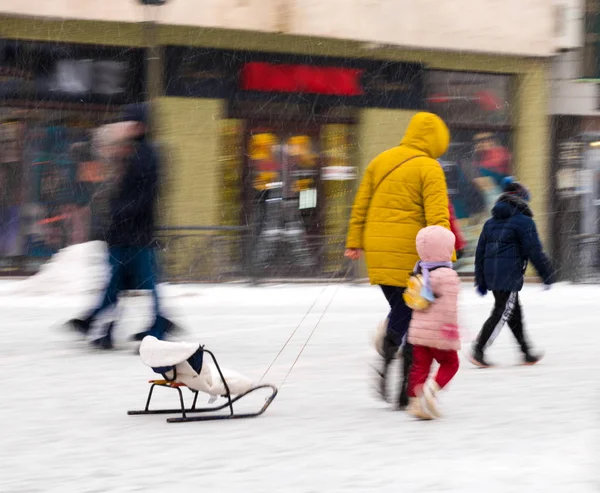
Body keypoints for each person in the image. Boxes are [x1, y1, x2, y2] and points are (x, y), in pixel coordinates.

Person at [345, 112, 452, 409]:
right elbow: (437, 216)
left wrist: (354, 241)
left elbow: (361, 203)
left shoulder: (381, 160)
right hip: (411, 254)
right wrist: (444, 254)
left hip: (378, 250)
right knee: (415, 316)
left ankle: (392, 364)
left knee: (404, 310)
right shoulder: (429, 167)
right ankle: (401, 379)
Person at [65, 103, 179, 349]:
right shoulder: (130, 152)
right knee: (120, 281)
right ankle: (108, 325)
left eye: (130, 123)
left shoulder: (147, 155)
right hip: (124, 231)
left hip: (136, 232)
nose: (125, 127)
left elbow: (145, 195)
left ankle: (155, 328)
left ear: (141, 125)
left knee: (139, 282)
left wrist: (121, 211)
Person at [472, 177, 554, 367]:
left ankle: (526, 352)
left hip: (494, 274)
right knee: (503, 312)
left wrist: (481, 279)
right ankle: (479, 348)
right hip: (508, 275)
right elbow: (534, 251)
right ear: (521, 200)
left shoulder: (490, 222)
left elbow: (480, 253)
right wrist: (546, 274)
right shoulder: (524, 222)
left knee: (513, 312)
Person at [405, 226, 461, 420]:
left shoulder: (418, 271)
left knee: (420, 366)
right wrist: (452, 331)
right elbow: (449, 308)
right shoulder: (448, 275)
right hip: (440, 331)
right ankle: (431, 389)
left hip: (419, 333)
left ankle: (414, 402)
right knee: (451, 363)